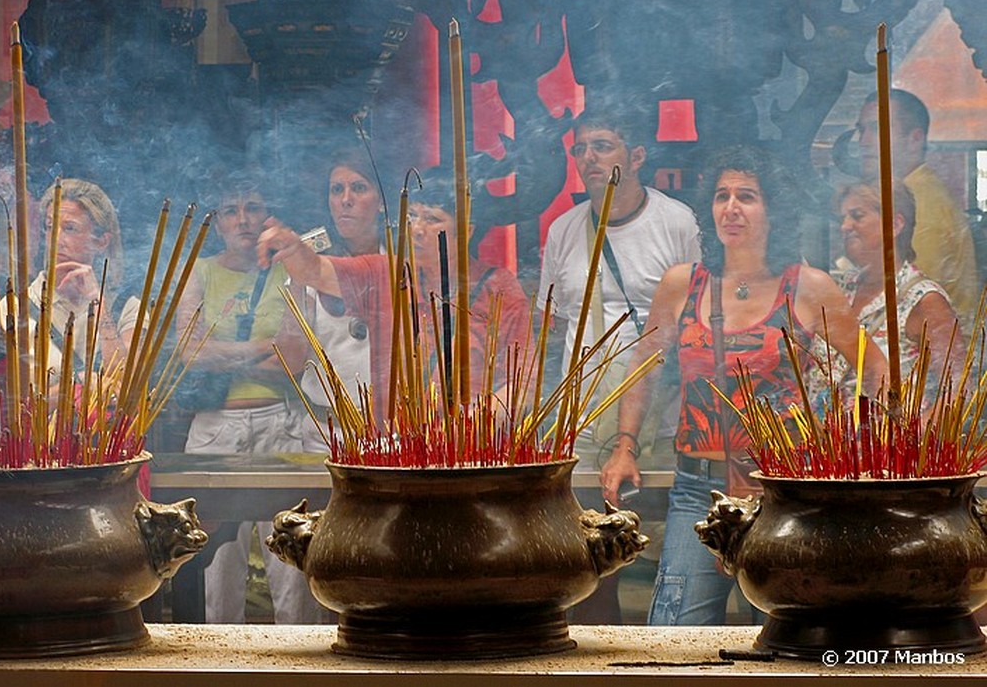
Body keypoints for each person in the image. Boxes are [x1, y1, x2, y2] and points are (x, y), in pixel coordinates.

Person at [600, 145, 887, 626]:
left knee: (782, 636)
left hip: (781, 490)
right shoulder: (681, 284)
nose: (731, 207)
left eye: (747, 197)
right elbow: (645, 366)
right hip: (697, 488)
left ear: (773, 210)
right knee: (673, 635)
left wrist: (856, 439)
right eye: (722, 196)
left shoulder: (808, 286)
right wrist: (624, 446)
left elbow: (875, 366)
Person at [258, 170, 530, 421]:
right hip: (398, 445)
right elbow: (318, 271)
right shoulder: (390, 273)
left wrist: (470, 427)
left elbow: (523, 384)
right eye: (412, 217)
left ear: (467, 230)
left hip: (471, 448)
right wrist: (294, 249)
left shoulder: (499, 288)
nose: (417, 229)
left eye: (433, 219)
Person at [176, 174, 312, 624]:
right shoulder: (199, 273)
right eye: (231, 210)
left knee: (293, 571)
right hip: (215, 429)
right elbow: (189, 352)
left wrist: (222, 354)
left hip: (282, 427)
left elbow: (293, 359)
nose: (243, 219)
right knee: (215, 575)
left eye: (252, 207)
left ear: (268, 213)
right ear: (217, 222)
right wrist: (259, 349)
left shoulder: (290, 272)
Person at [539, 106, 700, 469]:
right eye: (579, 149)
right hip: (579, 422)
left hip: (659, 421)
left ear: (637, 156)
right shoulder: (562, 230)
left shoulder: (677, 222)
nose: (588, 157)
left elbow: (697, 321)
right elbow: (555, 324)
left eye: (602, 145)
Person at [807, 182, 964, 406]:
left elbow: (957, 391)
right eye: (843, 218)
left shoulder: (923, 300)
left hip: (887, 439)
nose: (845, 226)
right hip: (824, 438)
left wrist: (916, 438)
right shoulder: (840, 290)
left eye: (857, 216)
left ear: (895, 224)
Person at [853, 89, 979, 326]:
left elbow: (908, 301)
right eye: (861, 130)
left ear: (915, 139)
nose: (863, 141)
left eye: (877, 128)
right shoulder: (904, 196)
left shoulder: (922, 207)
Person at [294, 149, 385, 453]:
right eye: (337, 189)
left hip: (390, 430)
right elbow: (291, 355)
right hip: (325, 433)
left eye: (358, 188)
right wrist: (297, 275)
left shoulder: (405, 265)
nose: (346, 199)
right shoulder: (311, 265)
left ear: (382, 202)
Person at [15, 178, 139, 381]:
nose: (56, 239)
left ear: (101, 241)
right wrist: (77, 391)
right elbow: (4, 399)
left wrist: (98, 303)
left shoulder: (128, 308)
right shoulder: (15, 307)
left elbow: (128, 387)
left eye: (70, 228)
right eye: (50, 227)